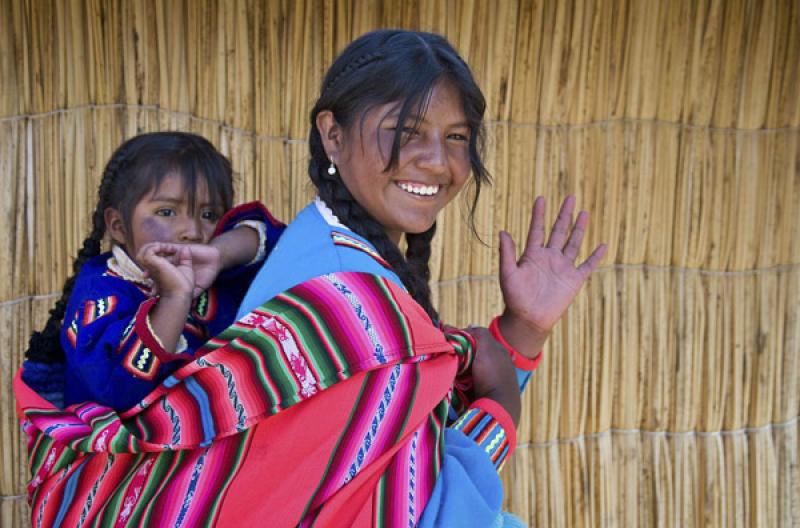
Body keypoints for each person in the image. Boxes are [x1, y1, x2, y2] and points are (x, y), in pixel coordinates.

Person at [14, 31, 605, 528]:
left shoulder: (318, 249)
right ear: (332, 134)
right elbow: (414, 510)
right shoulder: (346, 297)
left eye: (456, 136)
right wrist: (501, 396)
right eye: (405, 129)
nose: (436, 160)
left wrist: (520, 332)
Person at [21, 131, 284, 410]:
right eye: (167, 212)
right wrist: (174, 300)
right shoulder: (100, 295)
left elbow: (280, 245)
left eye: (208, 215)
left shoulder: (213, 275)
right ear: (118, 226)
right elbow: (121, 393)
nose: (192, 232)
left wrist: (219, 253)